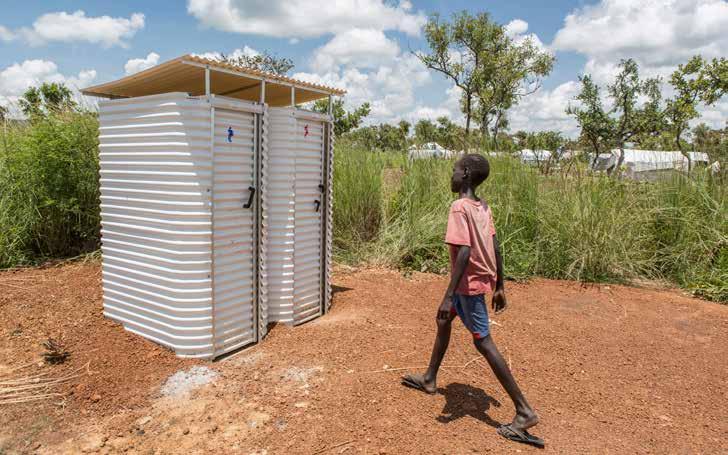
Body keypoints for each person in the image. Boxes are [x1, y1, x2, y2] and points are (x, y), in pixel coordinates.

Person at [402, 154, 544, 448]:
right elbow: (494, 243)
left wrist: (448, 295)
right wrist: (500, 284)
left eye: (454, 170)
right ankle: (429, 378)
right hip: (481, 280)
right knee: (443, 321)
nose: (451, 176)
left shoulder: (459, 208)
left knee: (484, 342)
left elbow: (464, 253)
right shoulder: (482, 206)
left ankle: (524, 412)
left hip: (467, 286)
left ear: (465, 173)